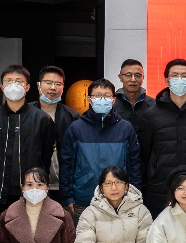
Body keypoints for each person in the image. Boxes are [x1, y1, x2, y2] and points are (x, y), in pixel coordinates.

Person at [136, 58, 186, 217]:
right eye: (175, 75)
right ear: (167, 80)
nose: (179, 79)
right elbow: (144, 152)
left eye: (184, 76)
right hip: (159, 188)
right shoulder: (151, 114)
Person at [0, 65, 57, 222]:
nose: (13, 85)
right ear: (2, 87)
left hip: (31, 193)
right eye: (8, 81)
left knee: (28, 233)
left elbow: (45, 156)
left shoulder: (42, 119)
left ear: (27, 87)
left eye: (19, 81)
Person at [60, 79, 143, 212]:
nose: (102, 100)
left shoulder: (125, 128)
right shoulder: (76, 128)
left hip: (119, 200)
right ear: (89, 99)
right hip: (84, 198)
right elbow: (66, 164)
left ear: (113, 100)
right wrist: (67, 197)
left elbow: (134, 165)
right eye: (97, 96)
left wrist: (134, 195)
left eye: (107, 96)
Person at [32, 66, 81, 205]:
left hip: (64, 186)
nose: (53, 87)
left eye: (58, 84)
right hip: (34, 185)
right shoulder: (27, 114)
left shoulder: (72, 116)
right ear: (38, 85)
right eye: (48, 82)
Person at [113, 59, 154, 123]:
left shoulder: (153, 105)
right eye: (128, 75)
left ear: (143, 78)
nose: (133, 80)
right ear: (120, 78)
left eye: (137, 75)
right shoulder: (112, 104)